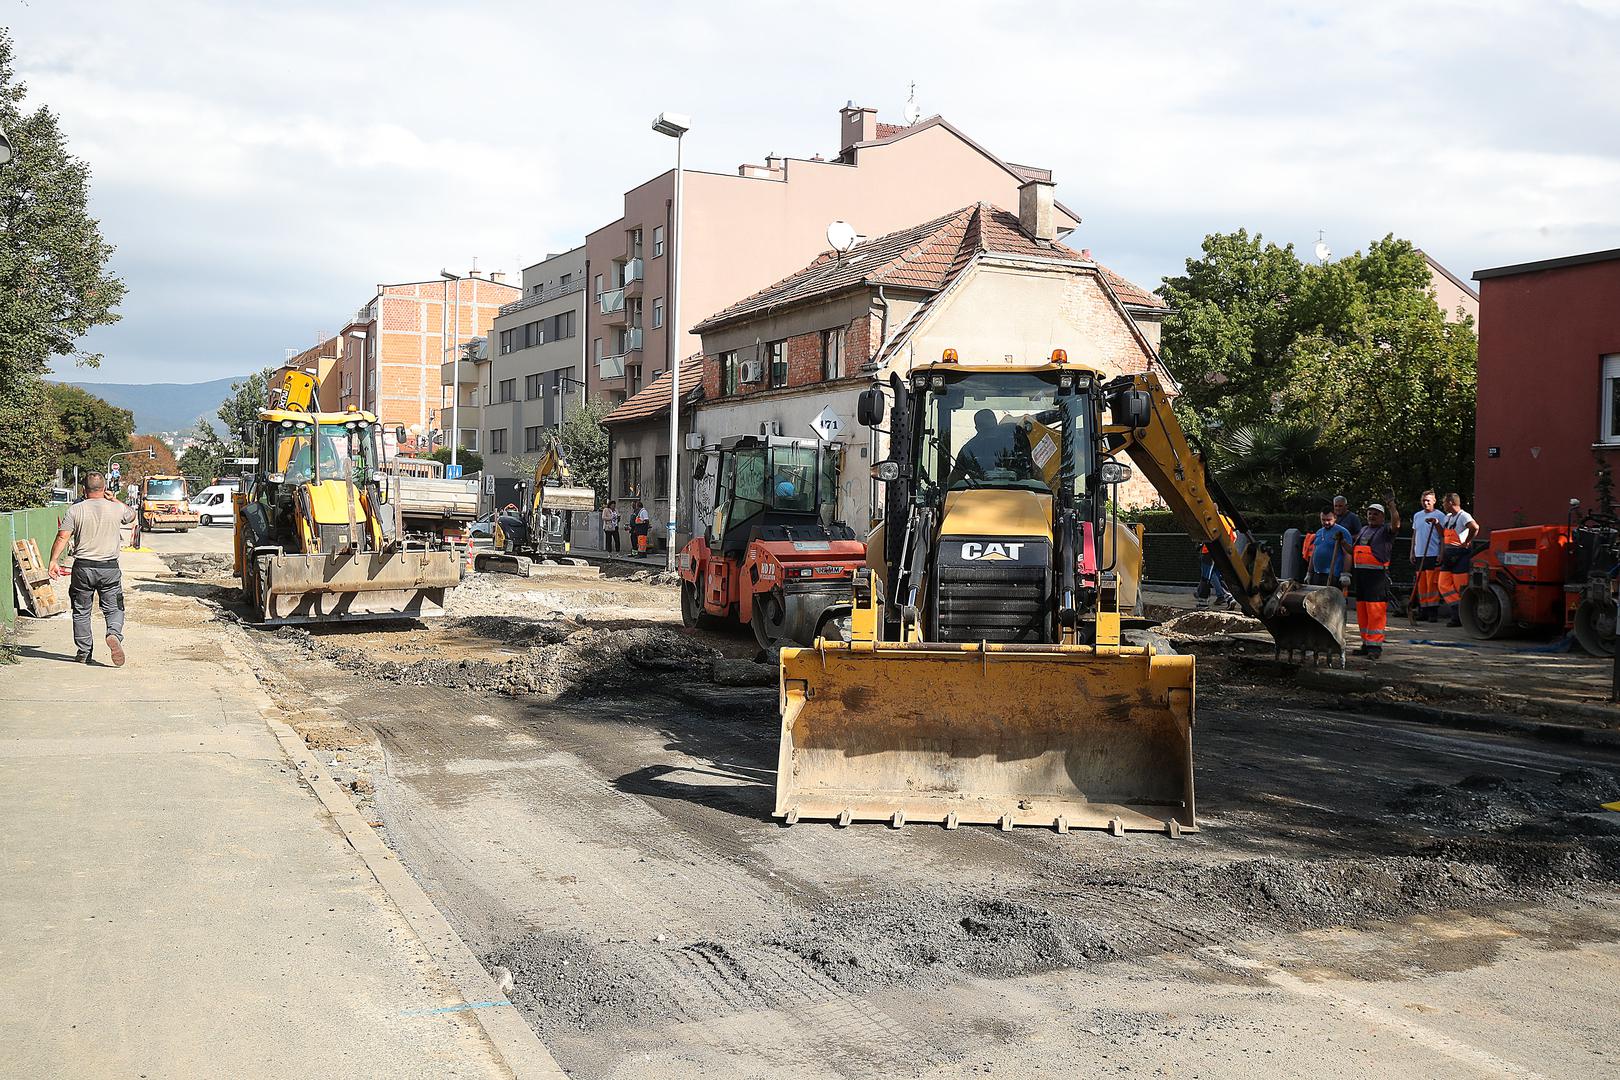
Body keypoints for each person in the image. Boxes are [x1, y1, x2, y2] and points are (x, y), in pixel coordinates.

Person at [47, 472, 136, 666]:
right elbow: (132, 516)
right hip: (109, 568)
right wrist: (116, 500)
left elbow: (63, 537)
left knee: (81, 611)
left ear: (83, 490)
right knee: (114, 607)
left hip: (83, 568)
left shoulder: (75, 510)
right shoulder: (116, 508)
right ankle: (113, 634)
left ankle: (84, 652)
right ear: (104, 489)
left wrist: (53, 560)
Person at [1352, 493, 1401, 659]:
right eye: (1369, 513)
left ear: (1382, 517)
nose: (1372, 516)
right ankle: (1366, 643)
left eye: (1376, 514)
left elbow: (1396, 524)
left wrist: (1392, 505)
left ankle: (1375, 647)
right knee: (1362, 611)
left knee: (1375, 611)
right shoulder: (1363, 530)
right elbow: (1351, 551)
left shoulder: (1386, 531)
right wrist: (1342, 542)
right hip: (1361, 576)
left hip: (1377, 577)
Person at [1438, 493, 1480, 627]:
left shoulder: (1464, 516)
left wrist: (1467, 542)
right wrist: (1436, 524)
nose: (1443, 505)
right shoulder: (1448, 517)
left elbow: (1475, 527)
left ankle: (1459, 617)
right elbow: (1442, 534)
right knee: (1443, 584)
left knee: (1459, 586)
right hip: (1449, 555)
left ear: (1450, 502)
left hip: (1461, 555)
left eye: (1444, 502)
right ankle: (1460, 610)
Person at [1307, 507, 1354, 592]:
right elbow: (1314, 552)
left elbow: (1348, 553)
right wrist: (1309, 573)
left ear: (1335, 518)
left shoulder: (1342, 532)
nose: (1326, 522)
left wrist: (1345, 574)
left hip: (1333, 575)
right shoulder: (1319, 532)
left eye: (1329, 519)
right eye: (1323, 520)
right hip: (1317, 574)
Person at [1194, 541, 1237, 611]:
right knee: (1219, 576)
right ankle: (1229, 598)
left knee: (1206, 577)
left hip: (1208, 552)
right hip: (1222, 551)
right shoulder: (1229, 530)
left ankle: (1203, 603)